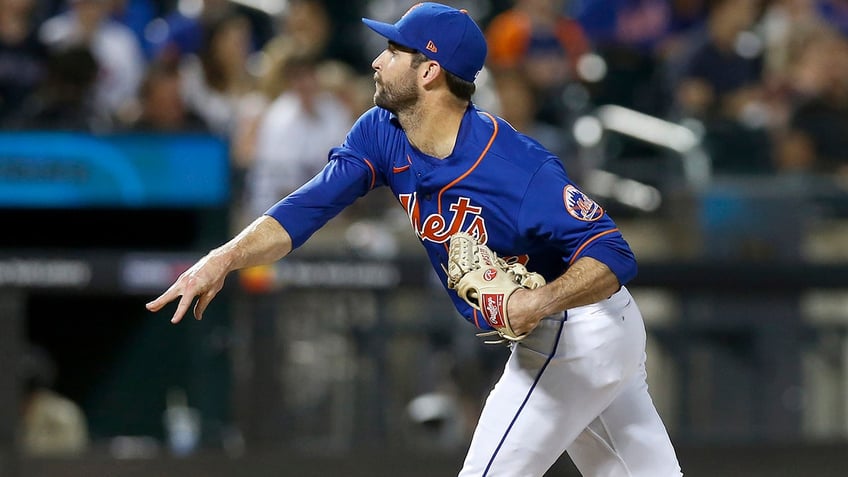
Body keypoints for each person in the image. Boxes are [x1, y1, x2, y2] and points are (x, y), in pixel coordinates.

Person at [146, 3, 682, 476]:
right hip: (587, 334)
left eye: (393, 50)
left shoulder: (517, 167)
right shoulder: (382, 130)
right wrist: (223, 257)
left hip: (577, 328)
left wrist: (539, 301)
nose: (377, 61)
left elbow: (613, 251)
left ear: (429, 71)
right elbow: (305, 210)